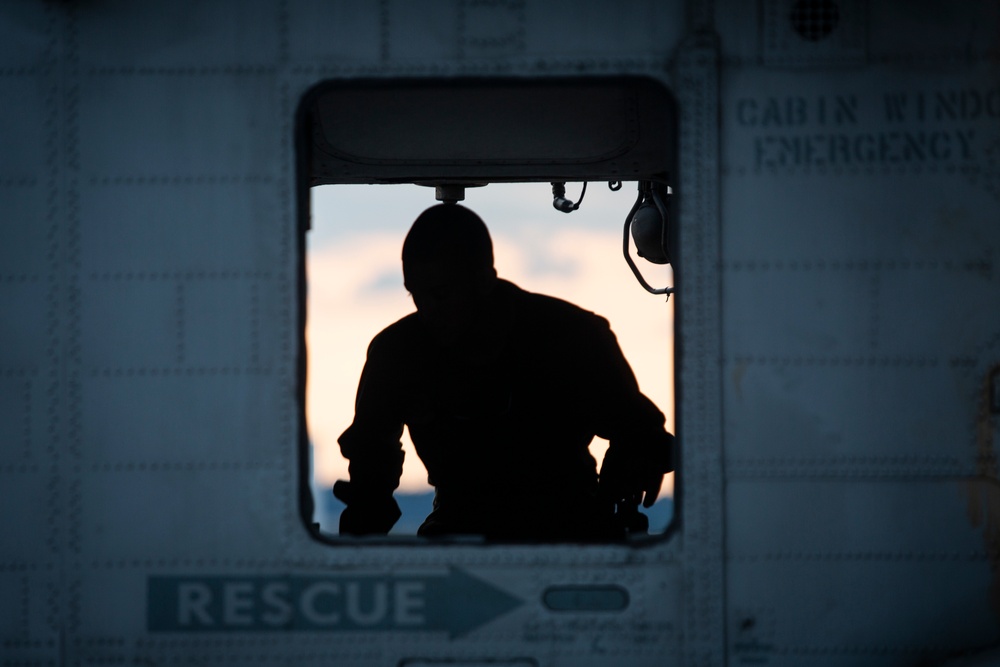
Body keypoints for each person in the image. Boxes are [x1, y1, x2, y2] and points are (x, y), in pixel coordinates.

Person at [335, 203, 674, 540]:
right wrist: (360, 534)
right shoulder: (397, 353)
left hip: (571, 523)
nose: (427, 311)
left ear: (484, 280)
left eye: (440, 295)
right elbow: (371, 460)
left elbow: (638, 429)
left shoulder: (570, 336)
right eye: (416, 295)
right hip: (459, 523)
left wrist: (623, 483)